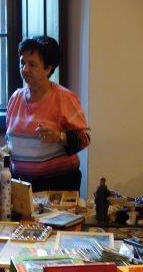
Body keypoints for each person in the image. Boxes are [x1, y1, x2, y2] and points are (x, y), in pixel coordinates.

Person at [5, 36, 90, 192]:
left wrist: (59, 137)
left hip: (58, 185)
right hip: (20, 184)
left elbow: (85, 138)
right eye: (22, 62)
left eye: (32, 64)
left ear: (48, 68)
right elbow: (11, 142)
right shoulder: (15, 98)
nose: (25, 69)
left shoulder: (64, 97)